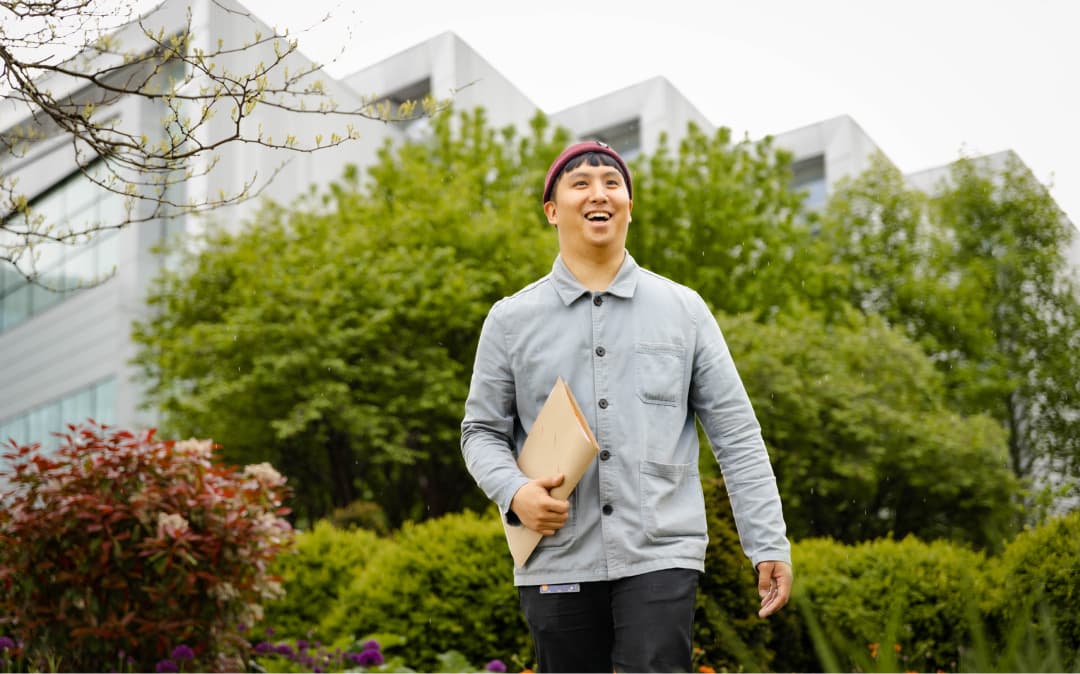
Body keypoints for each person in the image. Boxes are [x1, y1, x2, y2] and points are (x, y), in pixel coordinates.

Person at [460, 140, 792, 673]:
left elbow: (737, 435)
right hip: (556, 555)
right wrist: (515, 491)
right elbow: (479, 431)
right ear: (552, 210)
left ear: (629, 207)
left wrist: (768, 543)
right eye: (582, 183)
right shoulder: (509, 320)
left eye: (613, 184)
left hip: (661, 553)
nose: (600, 193)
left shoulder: (684, 310)